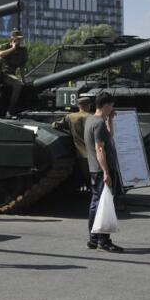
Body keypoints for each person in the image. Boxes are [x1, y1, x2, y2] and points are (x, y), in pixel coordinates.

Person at [84, 91, 124, 252]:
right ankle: (104, 240)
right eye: (111, 105)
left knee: (96, 203)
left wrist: (110, 120)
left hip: (94, 169)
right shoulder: (99, 124)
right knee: (104, 205)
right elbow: (100, 149)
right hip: (102, 170)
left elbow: (109, 136)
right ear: (106, 105)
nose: (112, 108)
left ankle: (94, 238)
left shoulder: (91, 120)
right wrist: (107, 172)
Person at [53, 93, 95, 186]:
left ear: (79, 106)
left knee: (86, 176)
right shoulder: (93, 117)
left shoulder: (70, 117)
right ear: (89, 106)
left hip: (80, 153)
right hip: (94, 152)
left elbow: (55, 125)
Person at [0, 30, 29, 114]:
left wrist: (23, 81)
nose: (20, 41)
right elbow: (0, 55)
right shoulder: (4, 46)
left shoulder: (23, 51)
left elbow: (22, 67)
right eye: (18, 39)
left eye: (21, 39)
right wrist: (12, 48)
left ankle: (11, 109)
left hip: (9, 75)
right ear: (12, 39)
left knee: (18, 84)